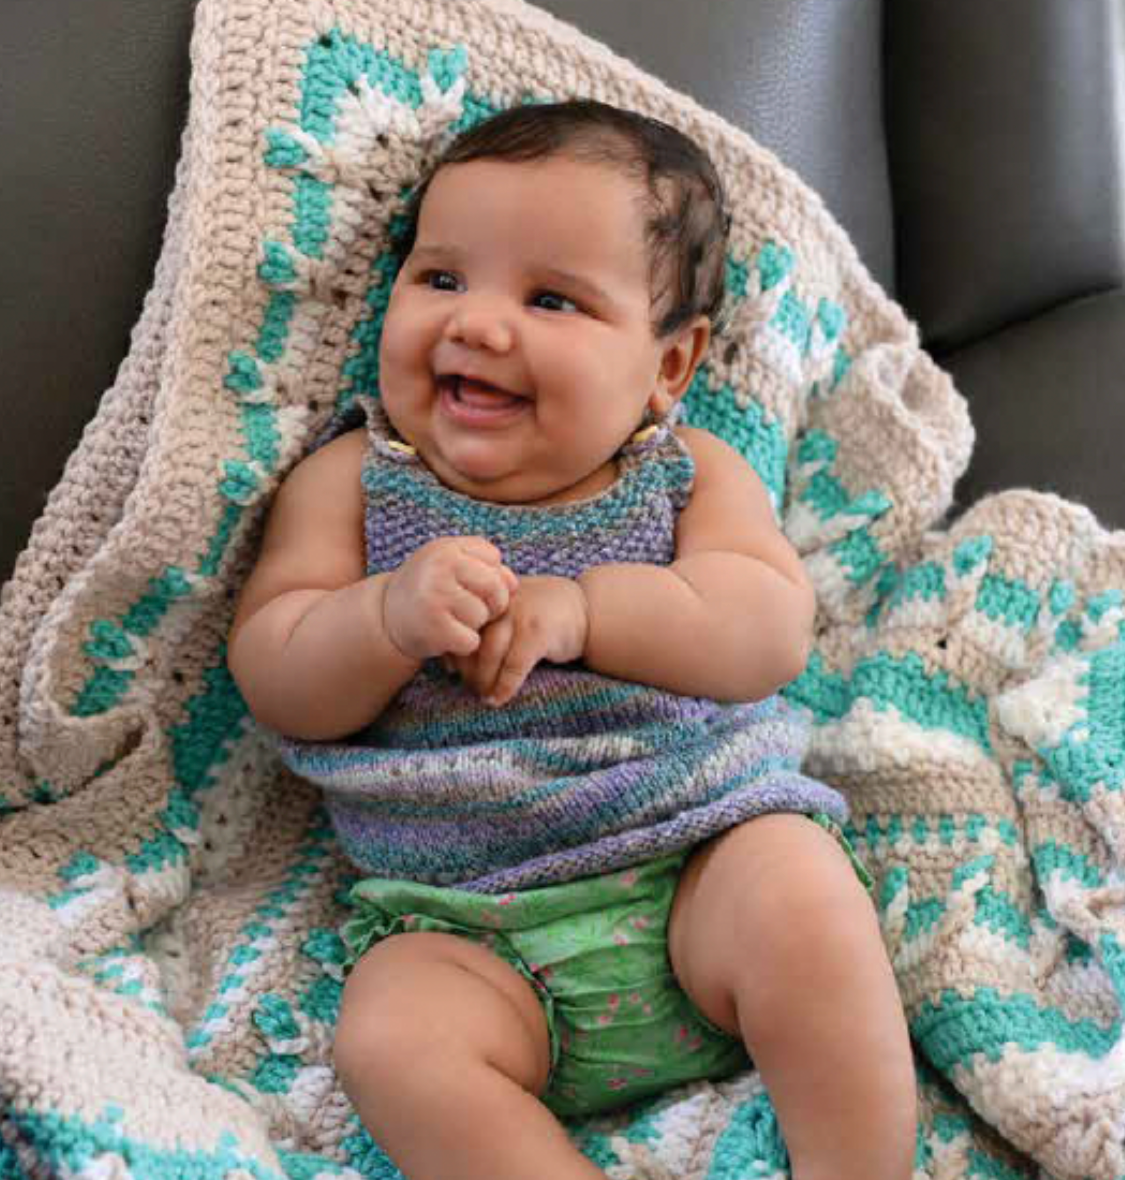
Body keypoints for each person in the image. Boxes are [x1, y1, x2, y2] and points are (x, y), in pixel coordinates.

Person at [228, 99, 916, 1180]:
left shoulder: (686, 476)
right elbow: (275, 672)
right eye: (441, 278)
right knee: (389, 1039)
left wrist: (592, 611)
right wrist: (383, 618)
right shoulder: (353, 482)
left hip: (697, 862)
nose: (478, 325)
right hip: (467, 928)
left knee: (804, 892)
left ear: (669, 367)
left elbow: (769, 630)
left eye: (550, 299)